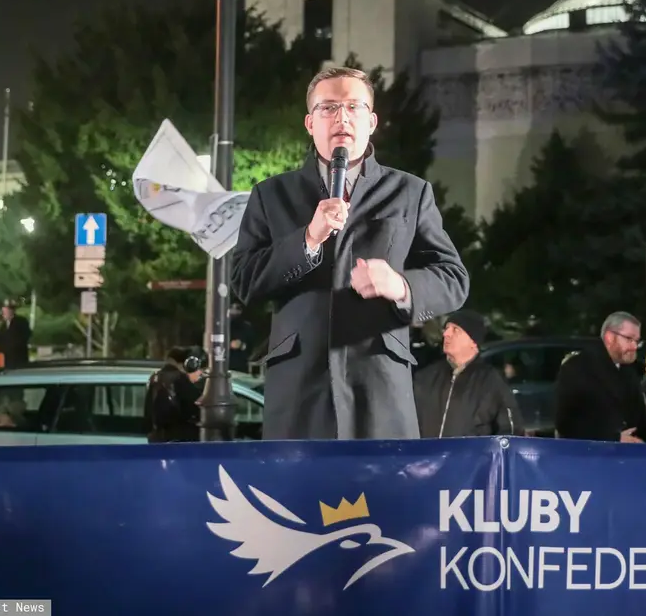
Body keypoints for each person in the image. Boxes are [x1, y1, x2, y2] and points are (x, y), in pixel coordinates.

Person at [230, 66, 469, 440]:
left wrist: (400, 285)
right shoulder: (271, 194)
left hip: (379, 388)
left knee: (382, 497)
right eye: (328, 108)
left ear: (372, 121)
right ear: (310, 123)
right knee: (296, 497)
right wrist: (308, 238)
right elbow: (244, 280)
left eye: (354, 107)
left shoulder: (410, 192)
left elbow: (454, 279)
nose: (342, 117)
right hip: (299, 390)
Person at [413, 310, 524, 437]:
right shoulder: (426, 376)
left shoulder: (490, 380)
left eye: (455, 330)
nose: (446, 334)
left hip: (470, 456)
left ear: (473, 342)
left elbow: (510, 429)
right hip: (428, 456)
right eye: (446, 329)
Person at [554, 311, 646, 443]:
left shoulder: (630, 371)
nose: (634, 346)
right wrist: (614, 438)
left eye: (637, 341)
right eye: (629, 339)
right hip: (591, 457)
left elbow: (641, 419)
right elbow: (566, 424)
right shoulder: (577, 368)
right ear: (610, 337)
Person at [144, 348, 203, 443]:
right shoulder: (179, 378)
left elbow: (148, 411)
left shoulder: (155, 378)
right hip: (177, 438)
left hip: (157, 438)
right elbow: (195, 406)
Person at [0, 300, 32, 369]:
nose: (3, 314)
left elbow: (27, 334)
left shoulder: (21, 321)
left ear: (11, 311)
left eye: (5, 312)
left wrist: (16, 344)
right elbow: (0, 337)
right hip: (7, 356)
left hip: (19, 354)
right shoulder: (3, 325)